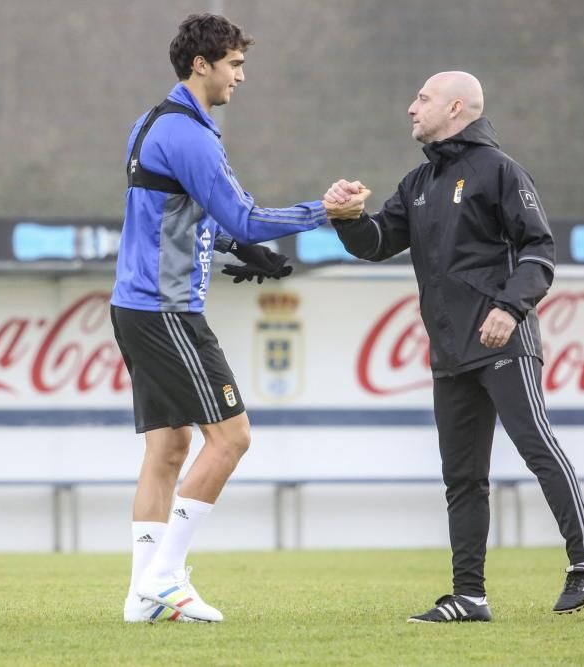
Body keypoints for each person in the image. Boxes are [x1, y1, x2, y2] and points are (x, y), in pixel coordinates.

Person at [324, 71, 584, 622]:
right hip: (450, 352)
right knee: (462, 479)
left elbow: (540, 252)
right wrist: (348, 218)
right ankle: (470, 596)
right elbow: (378, 243)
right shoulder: (418, 182)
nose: (411, 108)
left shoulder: (501, 171)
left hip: (504, 339)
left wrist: (509, 308)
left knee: (536, 445)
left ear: (456, 108)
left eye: (422, 99)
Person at [113, 13, 366, 624]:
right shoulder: (193, 135)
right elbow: (245, 215)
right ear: (201, 65)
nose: (240, 76)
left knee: (169, 447)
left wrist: (229, 247)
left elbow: (169, 218)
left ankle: (140, 596)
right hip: (168, 311)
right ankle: (166, 578)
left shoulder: (150, 121)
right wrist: (324, 211)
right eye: (234, 64)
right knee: (232, 437)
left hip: (136, 306)